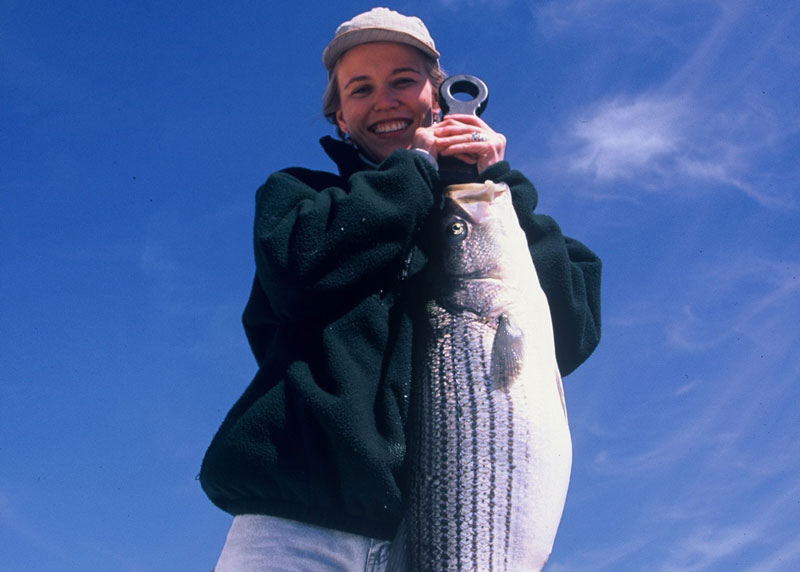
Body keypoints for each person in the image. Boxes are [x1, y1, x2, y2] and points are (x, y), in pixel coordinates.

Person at [200, 7, 602, 571]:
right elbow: (298, 270)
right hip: (298, 533)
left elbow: (575, 325)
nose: (384, 99)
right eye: (360, 88)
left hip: (466, 529)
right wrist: (416, 168)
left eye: (403, 81)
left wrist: (491, 182)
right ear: (339, 116)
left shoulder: (486, 207)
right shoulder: (299, 198)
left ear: (436, 98)